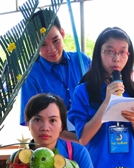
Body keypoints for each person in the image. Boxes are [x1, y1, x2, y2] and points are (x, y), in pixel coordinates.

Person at [68, 27, 134, 168]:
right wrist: (107, 102)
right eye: (110, 51)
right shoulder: (83, 91)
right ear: (99, 53)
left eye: (122, 52)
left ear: (128, 55)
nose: (116, 58)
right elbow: (83, 138)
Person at [20, 10, 91, 142]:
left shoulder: (82, 61)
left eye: (55, 40)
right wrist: (79, 140)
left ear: (62, 33)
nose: (51, 49)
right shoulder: (31, 76)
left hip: (91, 139)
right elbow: (32, 122)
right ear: (34, 44)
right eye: (43, 44)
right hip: (57, 147)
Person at [24, 93, 95, 168]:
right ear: (28, 124)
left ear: (62, 125)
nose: (45, 128)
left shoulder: (78, 153)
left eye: (53, 120)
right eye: (38, 120)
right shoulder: (19, 159)